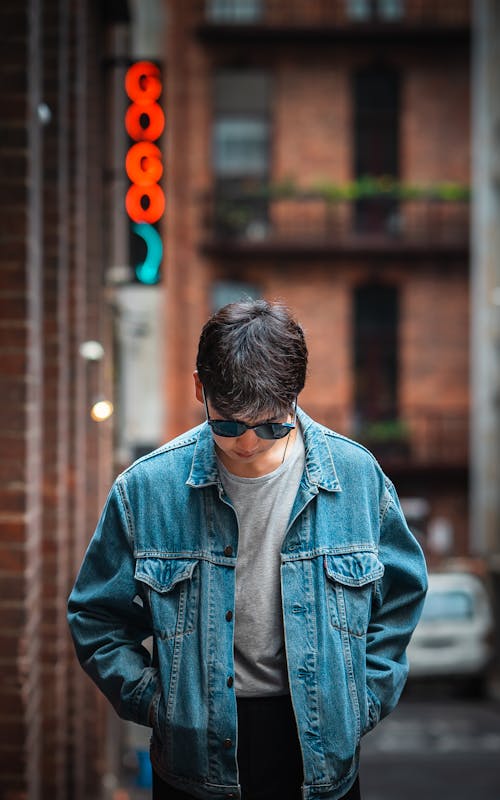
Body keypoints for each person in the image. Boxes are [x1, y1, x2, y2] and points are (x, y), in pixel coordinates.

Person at [68, 299, 428, 800]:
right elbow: (94, 617)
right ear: (201, 389)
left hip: (322, 758)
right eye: (230, 425)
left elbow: (402, 596)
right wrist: (160, 704)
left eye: (272, 425)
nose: (249, 443)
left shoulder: (356, 477)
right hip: (194, 760)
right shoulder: (146, 490)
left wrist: (361, 700)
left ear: (295, 396)